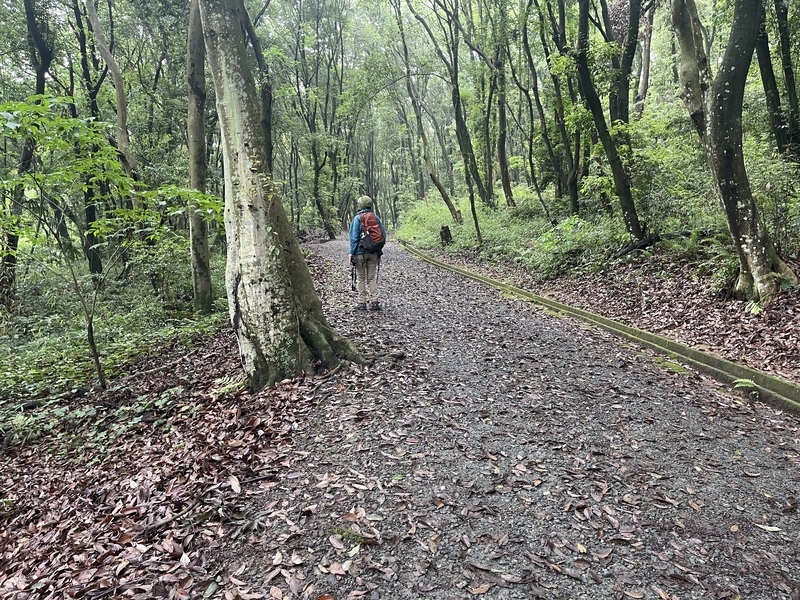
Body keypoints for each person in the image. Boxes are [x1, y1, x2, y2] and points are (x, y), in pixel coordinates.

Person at [348, 195, 386, 311]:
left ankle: (362, 303)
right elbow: (383, 236)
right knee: (371, 278)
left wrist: (351, 252)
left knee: (361, 278)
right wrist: (378, 251)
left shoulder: (357, 219)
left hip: (360, 252)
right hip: (373, 252)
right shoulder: (376, 218)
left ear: (360, 205)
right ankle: (375, 302)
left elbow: (354, 238)